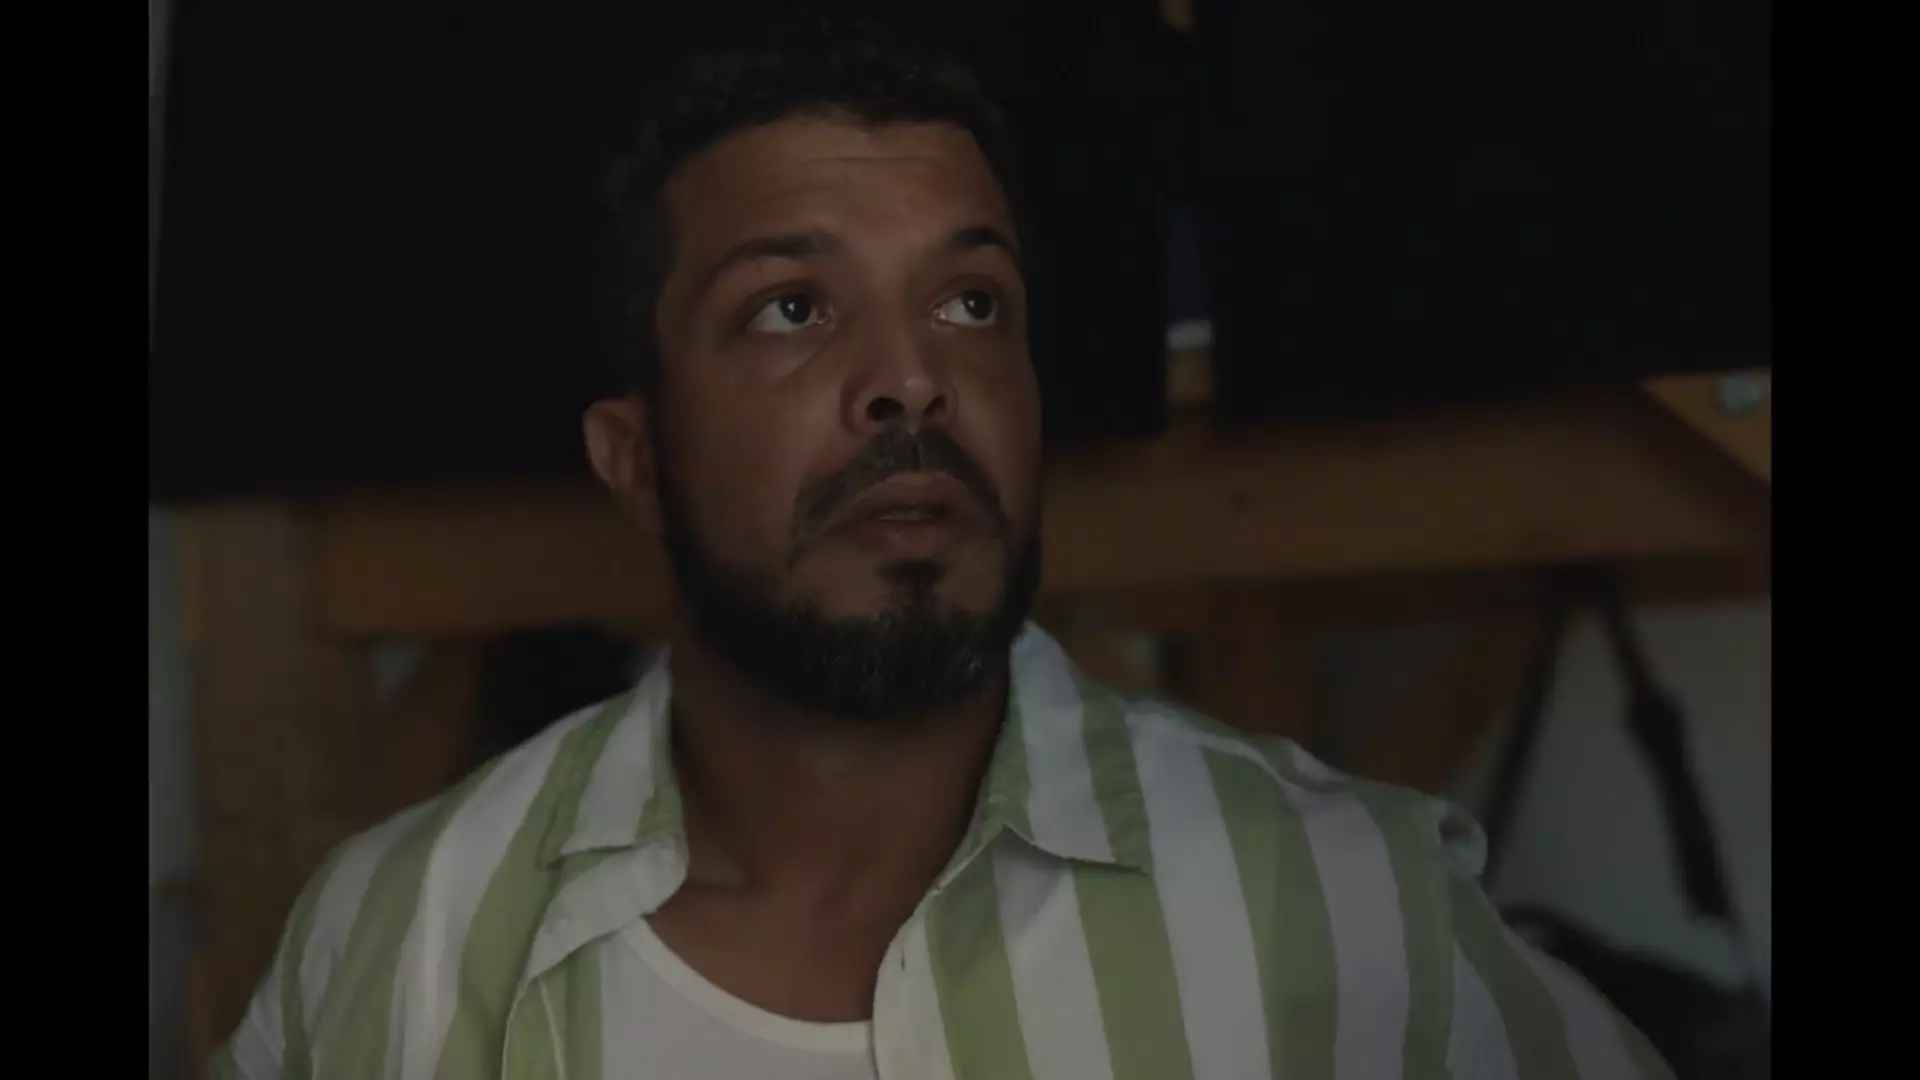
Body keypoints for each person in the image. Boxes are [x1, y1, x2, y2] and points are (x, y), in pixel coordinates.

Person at [213, 15, 1671, 1080]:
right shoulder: (403, 942)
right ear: (635, 459)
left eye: (972, 303)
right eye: (791, 309)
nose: (912, 378)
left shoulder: (1342, 908)